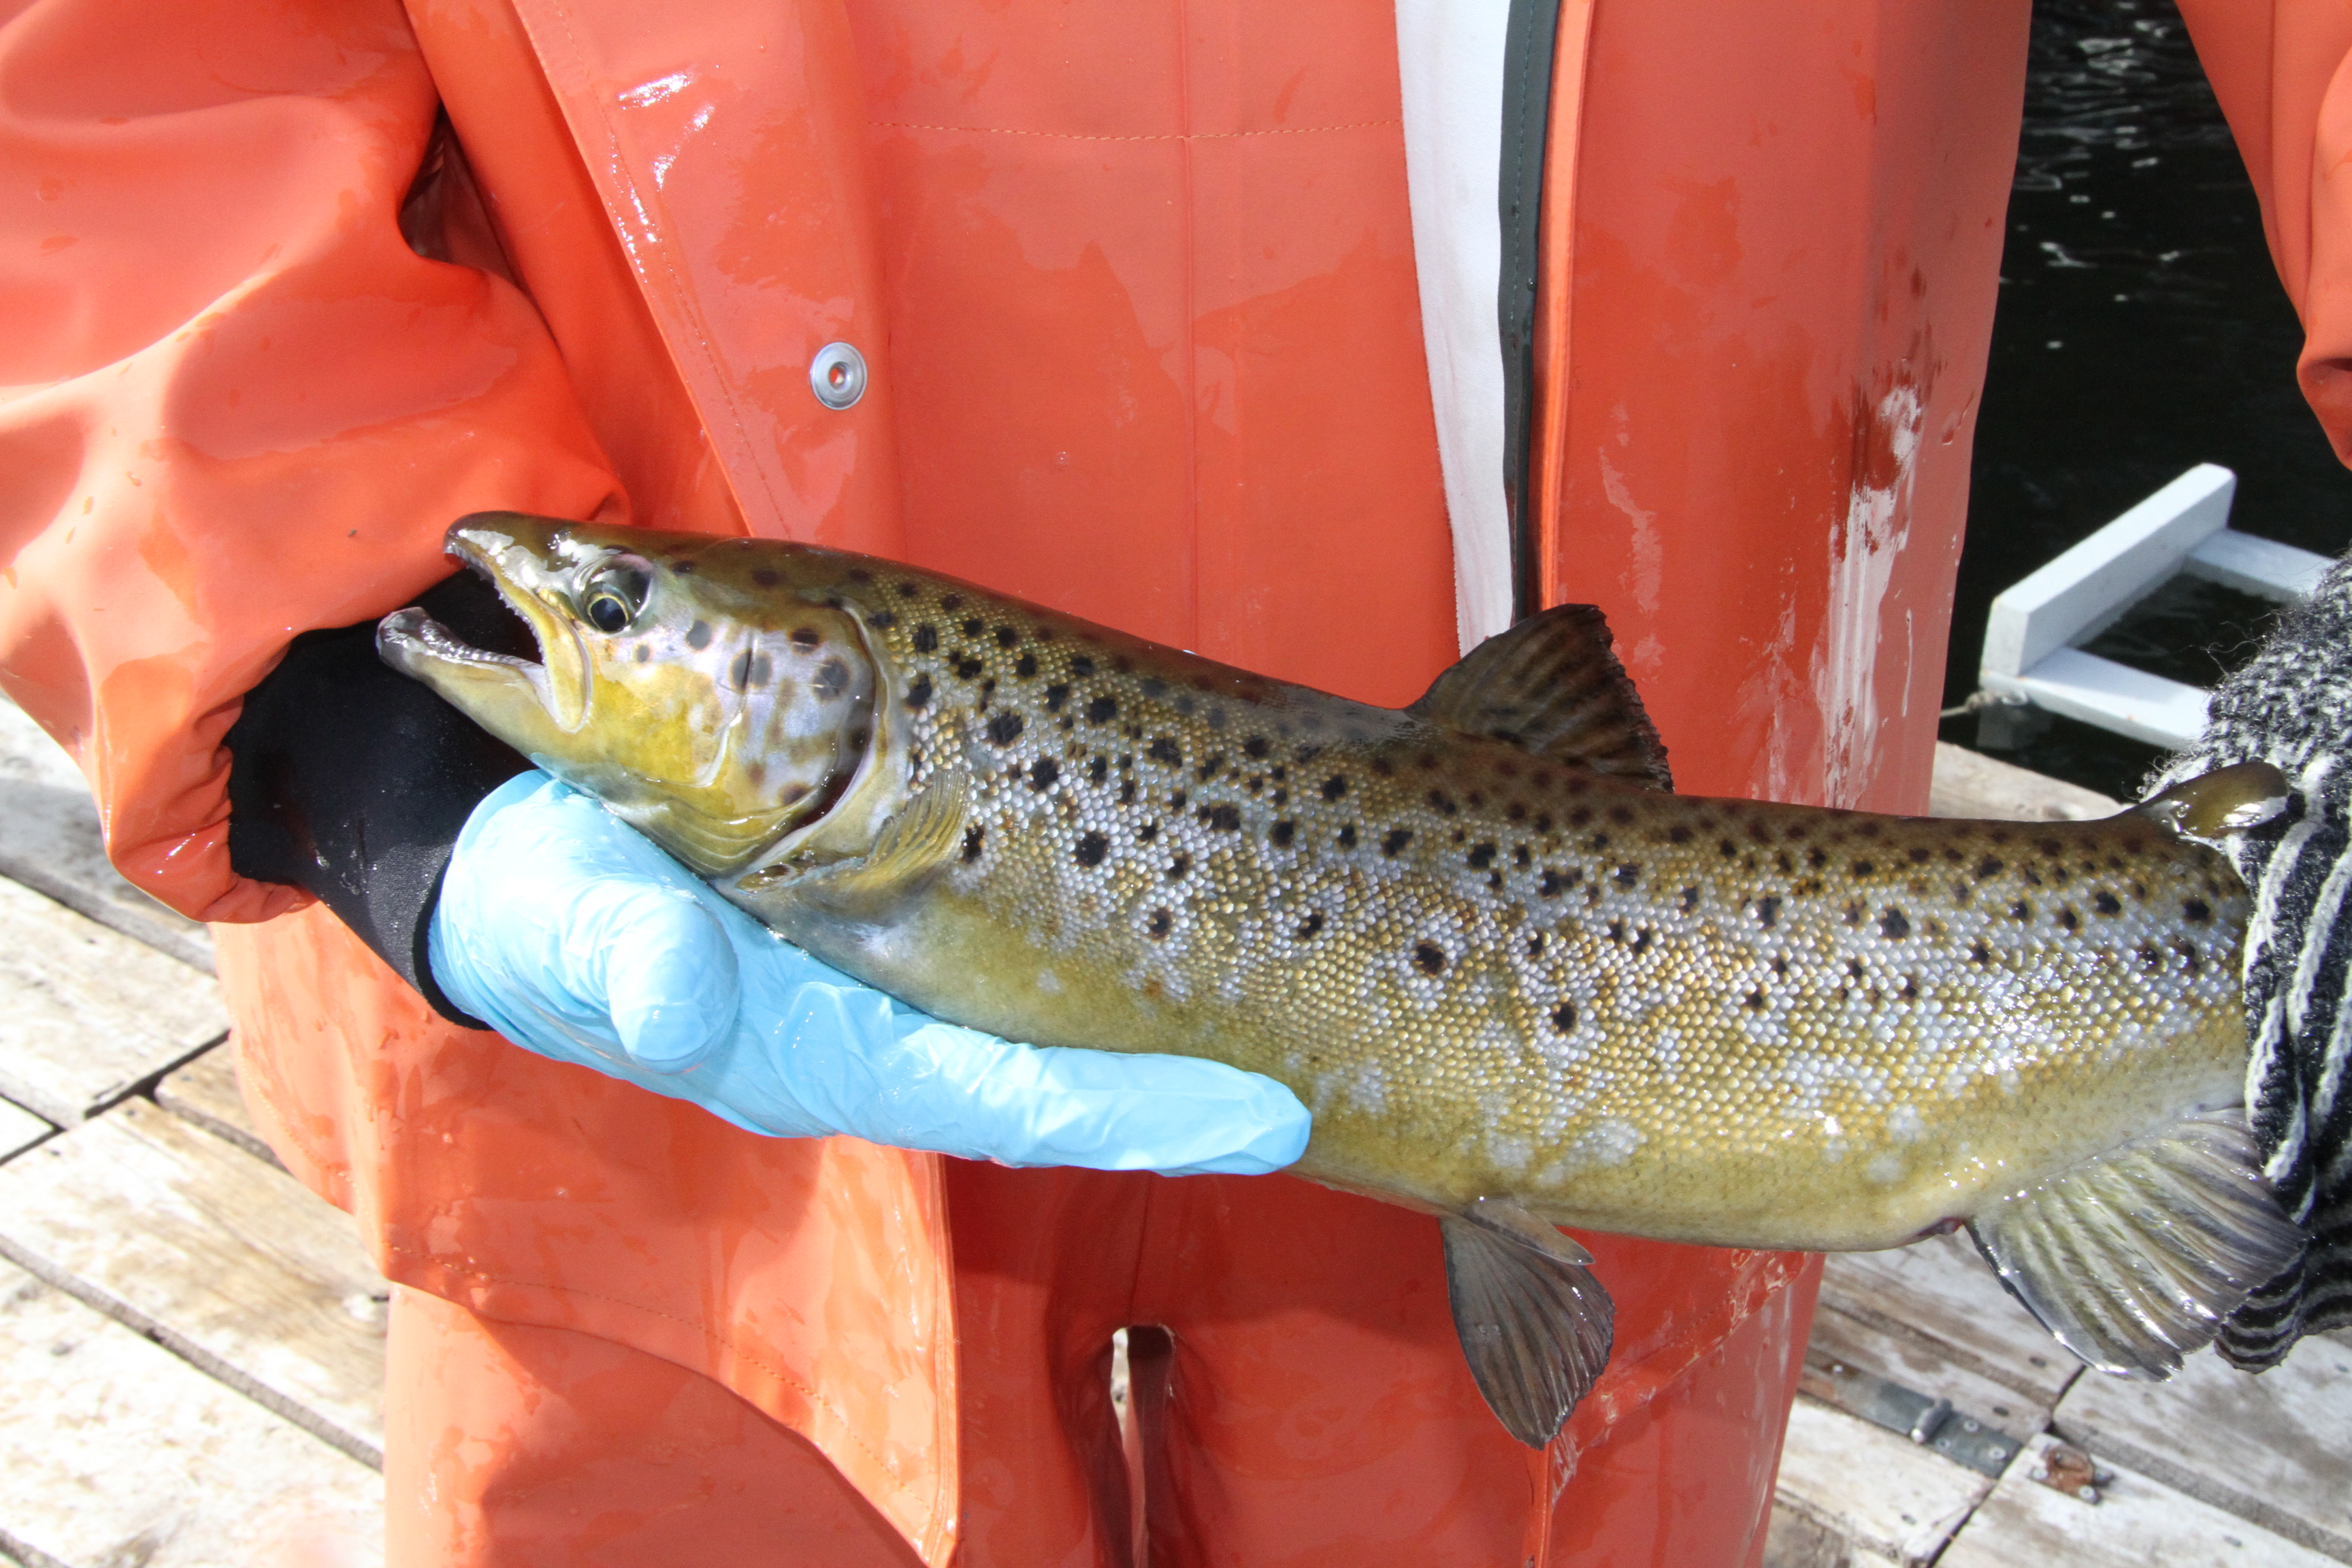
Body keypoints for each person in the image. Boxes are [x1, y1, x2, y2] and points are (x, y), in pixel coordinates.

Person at [63, 1, 2352, 1563]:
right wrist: (344, 712)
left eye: (632, 616)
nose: (586, 614)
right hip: (642, 1105)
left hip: (1662, 1002)